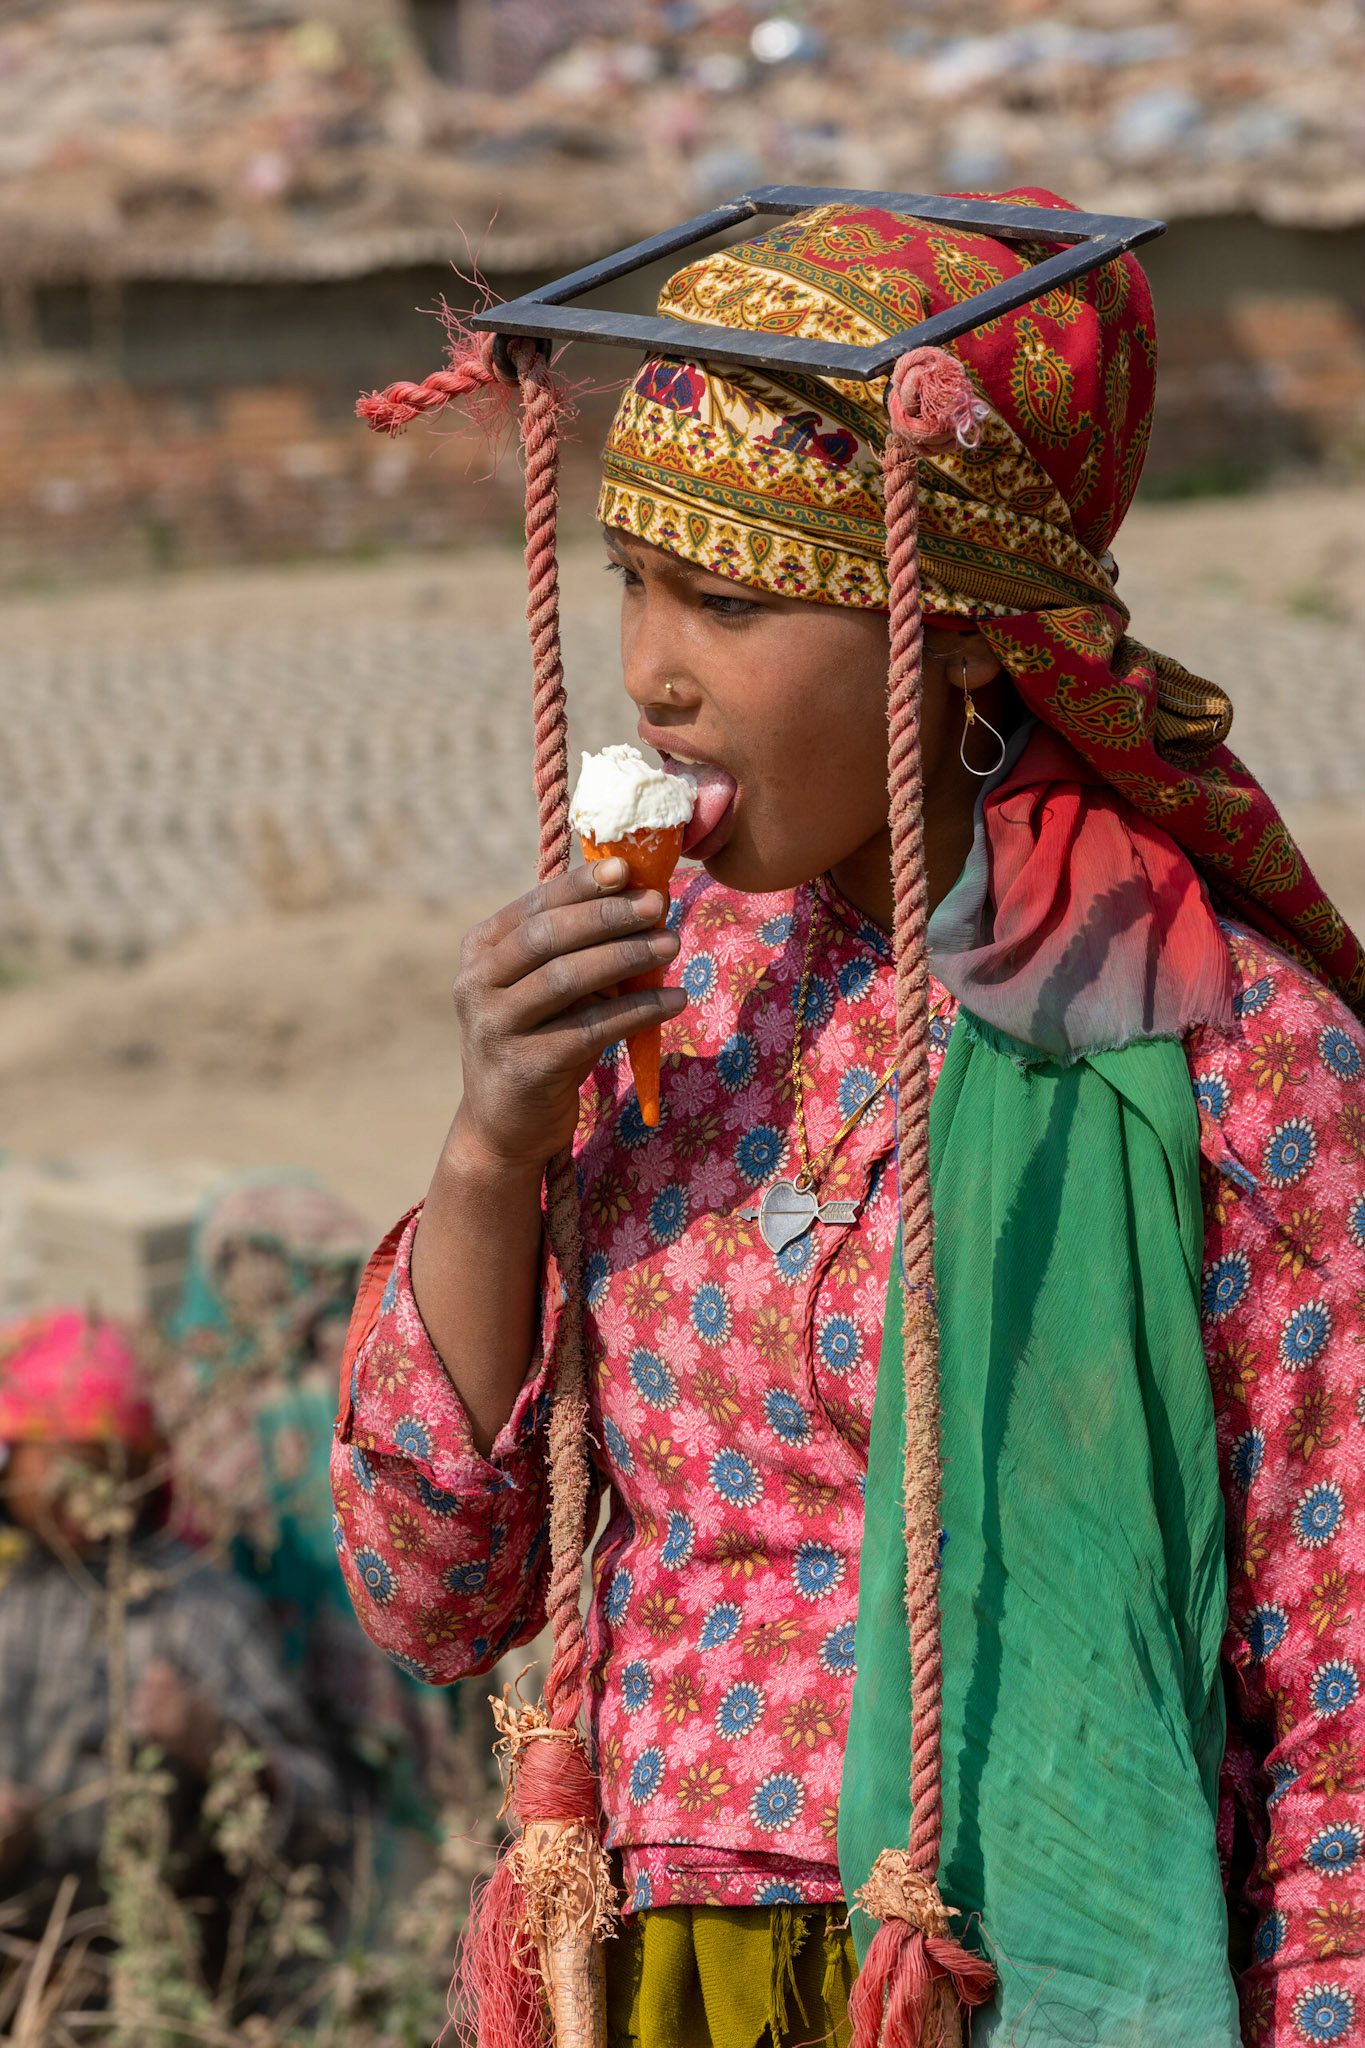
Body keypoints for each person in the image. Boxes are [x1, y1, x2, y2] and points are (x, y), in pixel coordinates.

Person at [331, 197, 1365, 2047]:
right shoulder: (661, 997)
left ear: (963, 639)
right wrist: (491, 1153)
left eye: (726, 600)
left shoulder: (1227, 1060)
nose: (651, 669)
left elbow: (1340, 1677)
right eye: (632, 578)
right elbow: (433, 1593)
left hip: (1008, 1973)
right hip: (649, 1973)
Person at [0, 1309, 340, 1937]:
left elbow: (320, 1812)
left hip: (161, 1949)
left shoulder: (198, 1609)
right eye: (43, 1461)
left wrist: (214, 1743)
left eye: (91, 1461)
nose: (65, 1487)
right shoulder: (15, 1591)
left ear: (136, 1468)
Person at [167, 1174, 453, 1848]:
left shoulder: (364, 1371)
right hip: (258, 1656)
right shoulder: (208, 1390)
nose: (260, 1285)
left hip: (364, 1644)